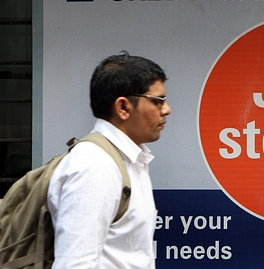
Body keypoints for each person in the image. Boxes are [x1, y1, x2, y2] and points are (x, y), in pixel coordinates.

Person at [47, 52, 171, 268]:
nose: (166, 110)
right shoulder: (95, 167)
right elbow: (75, 264)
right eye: (157, 101)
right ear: (123, 108)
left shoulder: (129, 160)